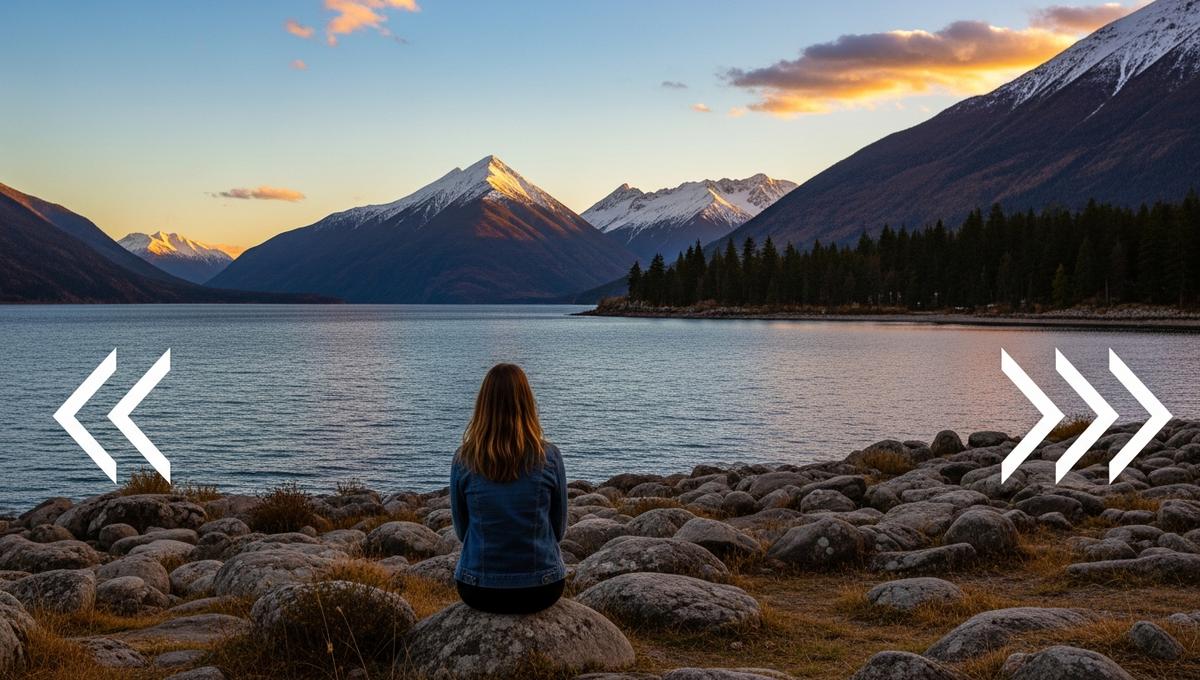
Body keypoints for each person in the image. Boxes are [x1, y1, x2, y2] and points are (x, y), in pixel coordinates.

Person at [450, 363, 567, 614]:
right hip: (541, 588)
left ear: (483, 406)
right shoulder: (550, 457)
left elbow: (461, 531)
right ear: (527, 403)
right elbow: (558, 530)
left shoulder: (463, 459)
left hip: (479, 588)